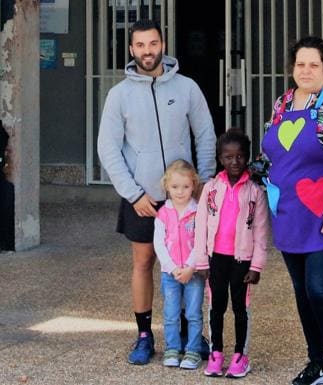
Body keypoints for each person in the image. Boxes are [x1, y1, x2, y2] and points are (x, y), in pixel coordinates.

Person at [97, 19, 217, 365]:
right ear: (131, 49)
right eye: (140, 46)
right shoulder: (118, 95)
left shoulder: (188, 88)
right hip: (144, 197)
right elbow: (108, 148)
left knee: (191, 264)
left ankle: (189, 334)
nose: (147, 51)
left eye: (152, 44)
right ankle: (145, 335)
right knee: (144, 262)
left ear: (162, 44)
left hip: (185, 197)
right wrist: (133, 194)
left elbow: (206, 134)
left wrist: (204, 182)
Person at [251, 36, 323, 385]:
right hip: (287, 212)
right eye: (300, 64)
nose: (305, 70)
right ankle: (317, 362)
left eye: (313, 64)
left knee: (321, 289)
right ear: (292, 68)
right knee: (302, 292)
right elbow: (274, 153)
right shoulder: (284, 102)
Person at [194, 128, 269, 379]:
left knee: (240, 308)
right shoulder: (211, 189)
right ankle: (216, 354)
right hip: (216, 259)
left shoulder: (255, 192)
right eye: (228, 157)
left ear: (247, 157)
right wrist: (201, 260)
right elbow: (200, 227)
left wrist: (256, 266)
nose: (234, 161)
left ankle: (240, 355)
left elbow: (260, 232)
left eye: (239, 156)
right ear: (220, 158)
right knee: (216, 307)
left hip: (242, 261)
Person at [153, 160, 205, 370]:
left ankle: (193, 350)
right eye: (175, 187)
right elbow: (159, 243)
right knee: (171, 314)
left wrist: (191, 266)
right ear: (166, 186)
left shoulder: (198, 211)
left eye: (185, 186)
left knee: (193, 313)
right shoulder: (163, 213)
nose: (180, 192)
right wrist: (173, 267)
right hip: (170, 273)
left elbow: (201, 240)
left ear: (194, 185)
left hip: (193, 273)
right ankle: (172, 348)